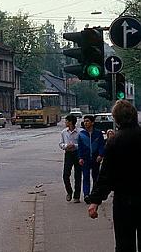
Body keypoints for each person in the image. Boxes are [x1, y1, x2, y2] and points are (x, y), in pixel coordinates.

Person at [88, 100, 141, 251]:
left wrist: (95, 201)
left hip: (124, 201)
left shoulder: (114, 142)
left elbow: (106, 175)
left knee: (124, 243)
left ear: (116, 119)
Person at [78, 114, 105, 203]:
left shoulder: (98, 133)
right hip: (85, 159)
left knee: (96, 177)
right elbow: (80, 147)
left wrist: (100, 155)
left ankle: (94, 194)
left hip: (95, 158)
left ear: (92, 123)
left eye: (87, 121)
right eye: (84, 121)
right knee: (85, 177)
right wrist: (80, 157)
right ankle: (86, 194)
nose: (85, 123)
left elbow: (101, 145)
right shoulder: (81, 134)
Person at [59, 114, 82, 203]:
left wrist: (75, 146)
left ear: (71, 122)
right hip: (68, 154)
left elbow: (82, 144)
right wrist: (66, 146)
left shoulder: (80, 132)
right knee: (66, 174)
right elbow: (61, 144)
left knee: (78, 175)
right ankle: (69, 191)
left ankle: (77, 196)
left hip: (77, 154)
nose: (65, 123)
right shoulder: (64, 132)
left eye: (67, 121)